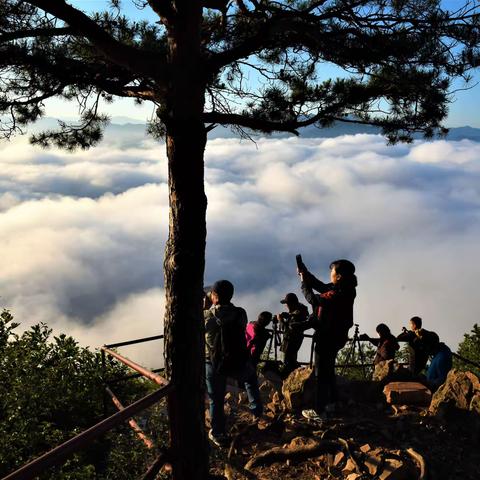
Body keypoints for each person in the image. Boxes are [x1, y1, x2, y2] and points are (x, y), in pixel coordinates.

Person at [204, 279, 263, 447]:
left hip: (213, 363)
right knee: (250, 378)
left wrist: (209, 306)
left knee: (216, 398)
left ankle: (218, 433)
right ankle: (256, 412)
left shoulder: (207, 315)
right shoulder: (240, 313)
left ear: (214, 296)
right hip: (237, 359)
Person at [298, 259, 357, 423]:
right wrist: (306, 274)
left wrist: (304, 284)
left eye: (332, 272)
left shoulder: (338, 294)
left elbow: (314, 299)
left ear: (338, 276)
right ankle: (332, 404)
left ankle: (320, 411)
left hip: (328, 337)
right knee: (328, 371)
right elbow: (322, 287)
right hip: (337, 336)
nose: (330, 274)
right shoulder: (345, 288)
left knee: (321, 374)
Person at [277, 293, 309, 376]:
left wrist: (280, 320)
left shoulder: (296, 316)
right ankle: (293, 376)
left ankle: (288, 378)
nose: (286, 306)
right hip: (297, 339)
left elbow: (287, 329)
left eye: (287, 304)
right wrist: (288, 315)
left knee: (288, 361)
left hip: (290, 340)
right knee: (291, 360)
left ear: (291, 304)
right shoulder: (300, 311)